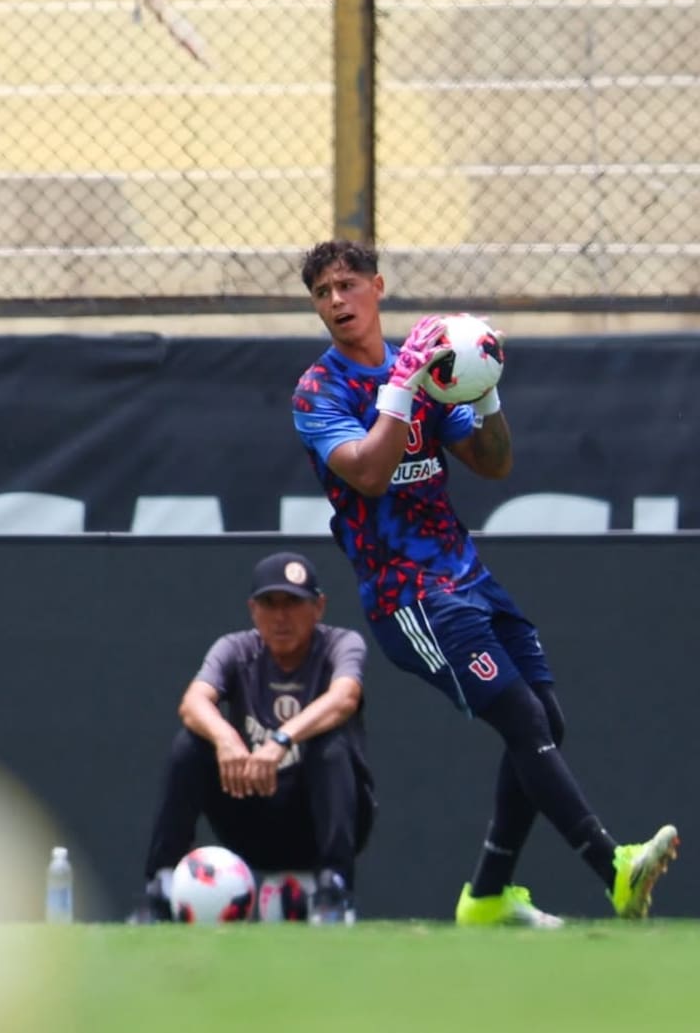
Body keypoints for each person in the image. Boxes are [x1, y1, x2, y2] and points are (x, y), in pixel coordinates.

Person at [291, 238, 679, 926]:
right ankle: (612, 866)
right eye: (323, 294)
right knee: (523, 718)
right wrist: (402, 388)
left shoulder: (431, 364)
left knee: (545, 717)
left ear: (378, 288)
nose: (336, 302)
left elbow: (493, 463)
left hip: (466, 573)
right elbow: (370, 473)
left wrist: (486, 387)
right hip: (406, 595)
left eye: (348, 285)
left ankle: (488, 895)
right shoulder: (319, 391)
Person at [138, 550, 376, 922]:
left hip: (318, 821)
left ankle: (335, 888)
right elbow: (193, 701)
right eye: (270, 603)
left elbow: (344, 697)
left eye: (294, 603)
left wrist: (281, 741)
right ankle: (161, 886)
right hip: (253, 815)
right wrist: (226, 738)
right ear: (253, 610)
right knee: (190, 744)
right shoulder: (235, 649)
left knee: (331, 745)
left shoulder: (341, 644)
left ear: (319, 607)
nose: (281, 616)